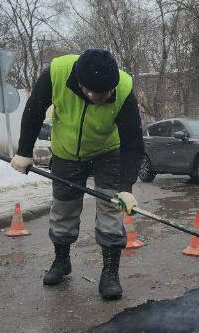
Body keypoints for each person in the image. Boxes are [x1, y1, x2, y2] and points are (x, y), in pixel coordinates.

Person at [11, 49, 144, 300]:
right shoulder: (57, 73)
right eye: (100, 95)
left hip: (108, 151)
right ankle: (62, 261)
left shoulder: (124, 88)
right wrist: (24, 151)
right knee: (64, 208)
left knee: (110, 207)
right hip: (66, 152)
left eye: (109, 93)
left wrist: (126, 187)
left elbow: (133, 142)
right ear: (82, 87)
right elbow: (34, 111)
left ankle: (110, 272)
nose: (107, 98)